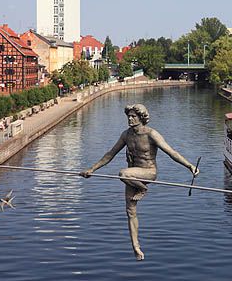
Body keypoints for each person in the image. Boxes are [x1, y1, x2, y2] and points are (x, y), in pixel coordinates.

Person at [80, 104, 199, 261]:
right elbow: (110, 154)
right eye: (128, 116)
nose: (130, 119)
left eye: (133, 116)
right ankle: (136, 247)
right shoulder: (126, 135)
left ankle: (143, 190)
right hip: (133, 175)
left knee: (122, 173)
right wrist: (92, 169)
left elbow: (172, 152)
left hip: (148, 173)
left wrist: (189, 166)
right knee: (130, 212)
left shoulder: (151, 134)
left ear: (141, 117)